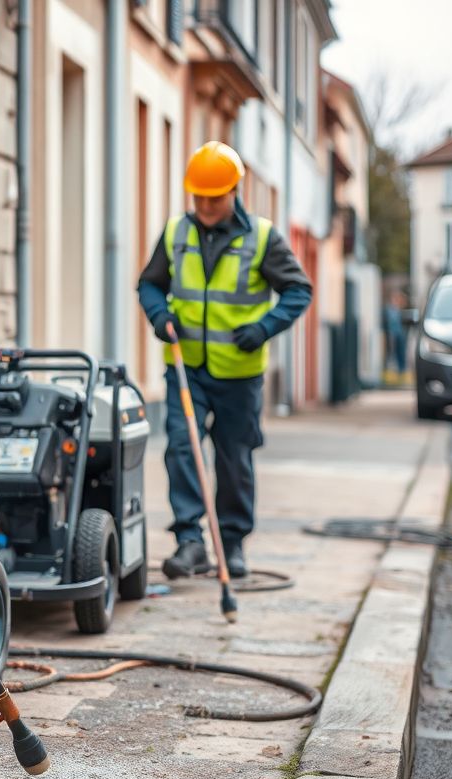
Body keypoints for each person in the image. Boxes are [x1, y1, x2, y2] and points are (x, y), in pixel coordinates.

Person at [137, 141, 311, 581]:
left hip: (240, 373)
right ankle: (190, 542)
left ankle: (231, 544)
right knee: (182, 446)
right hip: (186, 365)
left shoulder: (264, 238)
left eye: (214, 197)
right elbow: (150, 285)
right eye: (199, 197)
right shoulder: (177, 232)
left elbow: (298, 291)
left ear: (234, 191)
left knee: (234, 458)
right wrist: (160, 315)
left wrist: (265, 327)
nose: (206, 205)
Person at [383, 288, 409, 384]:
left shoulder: (398, 310)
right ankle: (390, 373)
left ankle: (401, 372)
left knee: (400, 353)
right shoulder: (389, 310)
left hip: (399, 335)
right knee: (391, 353)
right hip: (392, 335)